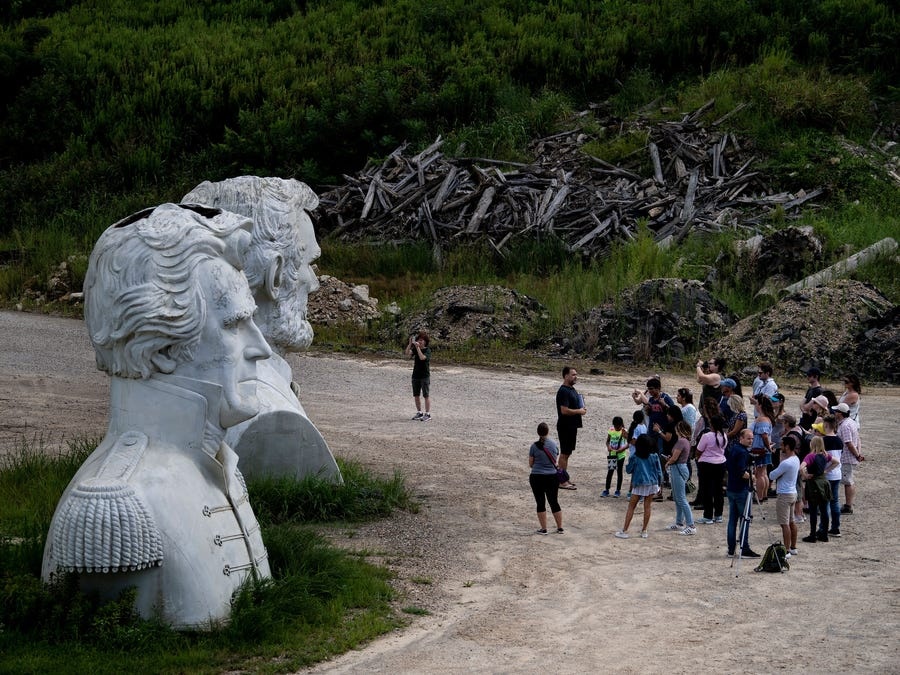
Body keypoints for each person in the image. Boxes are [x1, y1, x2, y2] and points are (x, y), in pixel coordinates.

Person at [43, 203, 273, 628]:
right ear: (160, 346)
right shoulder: (120, 504)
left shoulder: (217, 465)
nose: (262, 348)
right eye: (233, 325)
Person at [183, 176, 341, 483]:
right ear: (275, 275)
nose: (315, 283)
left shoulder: (200, 389)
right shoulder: (268, 416)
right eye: (309, 263)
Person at [615, 434, 663, 539]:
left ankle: (625, 530)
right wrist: (660, 485)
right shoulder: (654, 456)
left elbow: (628, 470)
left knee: (631, 507)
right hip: (652, 483)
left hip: (639, 483)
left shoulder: (635, 457)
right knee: (647, 507)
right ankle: (644, 531)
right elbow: (659, 472)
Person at [725, 428, 760, 558]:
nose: (751, 441)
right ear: (741, 438)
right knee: (745, 519)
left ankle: (730, 549)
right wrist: (753, 478)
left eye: (752, 438)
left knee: (732, 520)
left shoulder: (733, 448)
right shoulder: (742, 453)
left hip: (731, 488)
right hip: (741, 490)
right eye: (748, 438)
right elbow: (742, 473)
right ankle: (744, 548)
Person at [528, 422, 564, 534]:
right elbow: (556, 458)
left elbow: (531, 464)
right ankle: (560, 527)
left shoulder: (534, 446)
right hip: (552, 477)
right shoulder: (554, 444)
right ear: (548, 431)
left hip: (537, 477)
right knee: (554, 502)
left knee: (540, 502)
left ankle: (544, 529)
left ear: (538, 433)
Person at [768, 437, 800, 557]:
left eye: (782, 445)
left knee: (784, 524)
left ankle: (786, 550)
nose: (781, 447)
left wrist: (779, 461)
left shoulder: (786, 463)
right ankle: (793, 547)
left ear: (787, 446)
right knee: (791, 522)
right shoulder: (795, 459)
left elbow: (772, 475)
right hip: (793, 493)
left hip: (784, 494)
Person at [664, 421, 696, 535]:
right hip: (680, 468)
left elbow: (675, 457)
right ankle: (679, 522)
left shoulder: (681, 441)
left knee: (681, 498)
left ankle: (691, 525)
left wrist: (668, 462)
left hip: (677, 468)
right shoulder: (685, 441)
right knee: (678, 498)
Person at [556, 366, 585, 489]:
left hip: (572, 426)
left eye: (576, 374)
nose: (575, 377)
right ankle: (561, 481)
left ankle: (564, 478)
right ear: (566, 376)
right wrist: (579, 411)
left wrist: (581, 406)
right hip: (565, 426)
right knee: (564, 453)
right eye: (573, 374)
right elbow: (564, 410)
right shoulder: (563, 391)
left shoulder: (572, 389)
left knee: (567, 453)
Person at [800, 436, 834, 543]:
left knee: (813, 510)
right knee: (824, 511)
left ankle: (812, 534)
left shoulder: (811, 456)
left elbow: (801, 467)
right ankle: (824, 534)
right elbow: (836, 462)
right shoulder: (825, 455)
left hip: (814, 483)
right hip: (823, 482)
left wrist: (805, 475)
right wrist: (826, 470)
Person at [695, 415, 728, 524]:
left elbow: (699, 450)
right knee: (718, 490)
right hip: (720, 463)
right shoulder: (723, 436)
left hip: (707, 464)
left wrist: (698, 457)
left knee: (707, 489)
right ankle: (718, 515)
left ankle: (708, 515)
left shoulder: (707, 436)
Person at [832, 402, 863, 514]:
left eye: (836, 411)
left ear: (840, 413)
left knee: (848, 481)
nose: (834, 413)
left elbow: (849, 443)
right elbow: (858, 439)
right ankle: (848, 504)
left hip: (846, 457)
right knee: (848, 480)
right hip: (849, 457)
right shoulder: (851, 422)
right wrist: (858, 453)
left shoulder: (844, 426)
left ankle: (848, 506)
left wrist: (857, 455)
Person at [819, 415, 844, 537]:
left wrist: (825, 470)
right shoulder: (839, 440)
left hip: (827, 474)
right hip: (837, 474)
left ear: (826, 425)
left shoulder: (823, 441)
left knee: (825, 503)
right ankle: (835, 527)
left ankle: (823, 527)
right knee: (835, 501)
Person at [750, 396, 776, 502]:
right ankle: (763, 495)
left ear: (760, 405)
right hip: (764, 448)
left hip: (759, 448)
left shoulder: (762, 419)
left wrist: (768, 447)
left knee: (760, 473)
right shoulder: (767, 418)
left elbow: (764, 435)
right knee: (763, 473)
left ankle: (760, 496)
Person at [406, 330, 432, 421]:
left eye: (421, 340)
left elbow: (422, 358)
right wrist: (410, 344)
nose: (420, 341)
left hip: (425, 376)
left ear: (425, 341)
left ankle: (427, 414)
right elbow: (407, 354)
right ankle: (419, 412)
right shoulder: (415, 349)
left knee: (426, 395)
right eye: (419, 340)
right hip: (415, 375)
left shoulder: (427, 350)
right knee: (416, 395)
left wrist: (417, 348)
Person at [602, 416, 629, 497]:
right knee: (610, 472)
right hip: (613, 454)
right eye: (615, 426)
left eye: (618, 427)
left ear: (621, 425)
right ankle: (607, 489)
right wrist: (608, 447)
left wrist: (622, 449)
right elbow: (607, 441)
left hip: (621, 455)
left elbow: (628, 443)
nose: (617, 428)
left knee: (619, 472)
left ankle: (618, 490)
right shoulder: (611, 430)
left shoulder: (624, 431)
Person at [625, 410, 648, 498]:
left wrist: (628, 437)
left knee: (635, 474)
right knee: (639, 473)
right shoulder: (644, 427)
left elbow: (633, 441)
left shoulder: (635, 427)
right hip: (641, 453)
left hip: (635, 453)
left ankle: (632, 492)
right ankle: (636, 492)